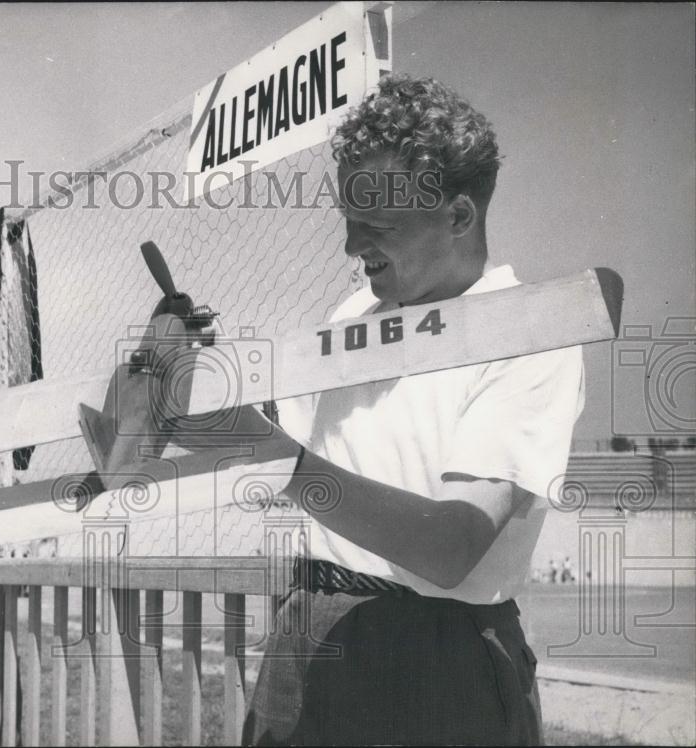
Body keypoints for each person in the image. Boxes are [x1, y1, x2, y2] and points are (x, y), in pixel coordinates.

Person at [116, 74, 584, 745]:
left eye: (378, 226)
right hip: (309, 628)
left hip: (438, 654)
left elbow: (451, 546)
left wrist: (270, 455)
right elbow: (300, 445)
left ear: (457, 216)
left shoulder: (531, 332)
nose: (350, 248)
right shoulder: (354, 313)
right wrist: (208, 386)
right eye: (347, 219)